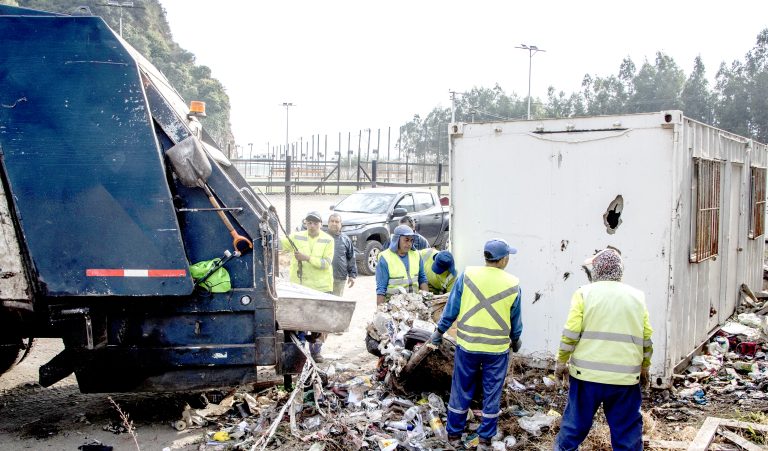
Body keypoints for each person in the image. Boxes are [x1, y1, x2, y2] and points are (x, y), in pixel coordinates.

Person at [553, 248, 653, 451]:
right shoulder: (637, 297)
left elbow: (570, 333)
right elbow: (646, 339)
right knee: (627, 436)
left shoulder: (583, 294)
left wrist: (561, 362)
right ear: (620, 271)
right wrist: (644, 367)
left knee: (573, 429)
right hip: (624, 381)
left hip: (586, 378)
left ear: (596, 272)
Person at [431, 239, 522, 450]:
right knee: (492, 393)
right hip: (496, 351)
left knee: (461, 389)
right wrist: (516, 340)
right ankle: (484, 441)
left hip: (468, 346)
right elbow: (515, 320)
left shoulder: (468, 275)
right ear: (504, 259)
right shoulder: (513, 283)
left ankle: (453, 437)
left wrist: (439, 332)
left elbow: (451, 309)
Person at [279, 211, 335, 361]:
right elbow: (279, 243)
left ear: (320, 224)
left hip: (321, 287)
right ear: (305, 223)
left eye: (315, 223)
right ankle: (301, 352)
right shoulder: (296, 236)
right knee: (300, 321)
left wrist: (307, 258)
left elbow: (326, 263)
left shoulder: (328, 240)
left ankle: (316, 352)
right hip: (300, 287)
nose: (312, 226)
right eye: (309, 223)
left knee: (320, 323)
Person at [375, 224, 428, 305]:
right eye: (406, 240)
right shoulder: (385, 258)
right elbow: (381, 288)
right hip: (394, 305)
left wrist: (427, 300)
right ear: (397, 239)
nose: (409, 244)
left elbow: (422, 278)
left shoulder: (416, 254)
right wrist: (380, 311)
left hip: (415, 303)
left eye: (411, 240)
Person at [327, 213, 356, 296]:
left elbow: (351, 258)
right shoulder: (322, 238)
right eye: (332, 221)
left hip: (339, 278)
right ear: (328, 223)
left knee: (337, 304)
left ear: (341, 224)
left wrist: (352, 275)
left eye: (337, 222)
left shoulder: (345, 239)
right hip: (323, 278)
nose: (334, 223)